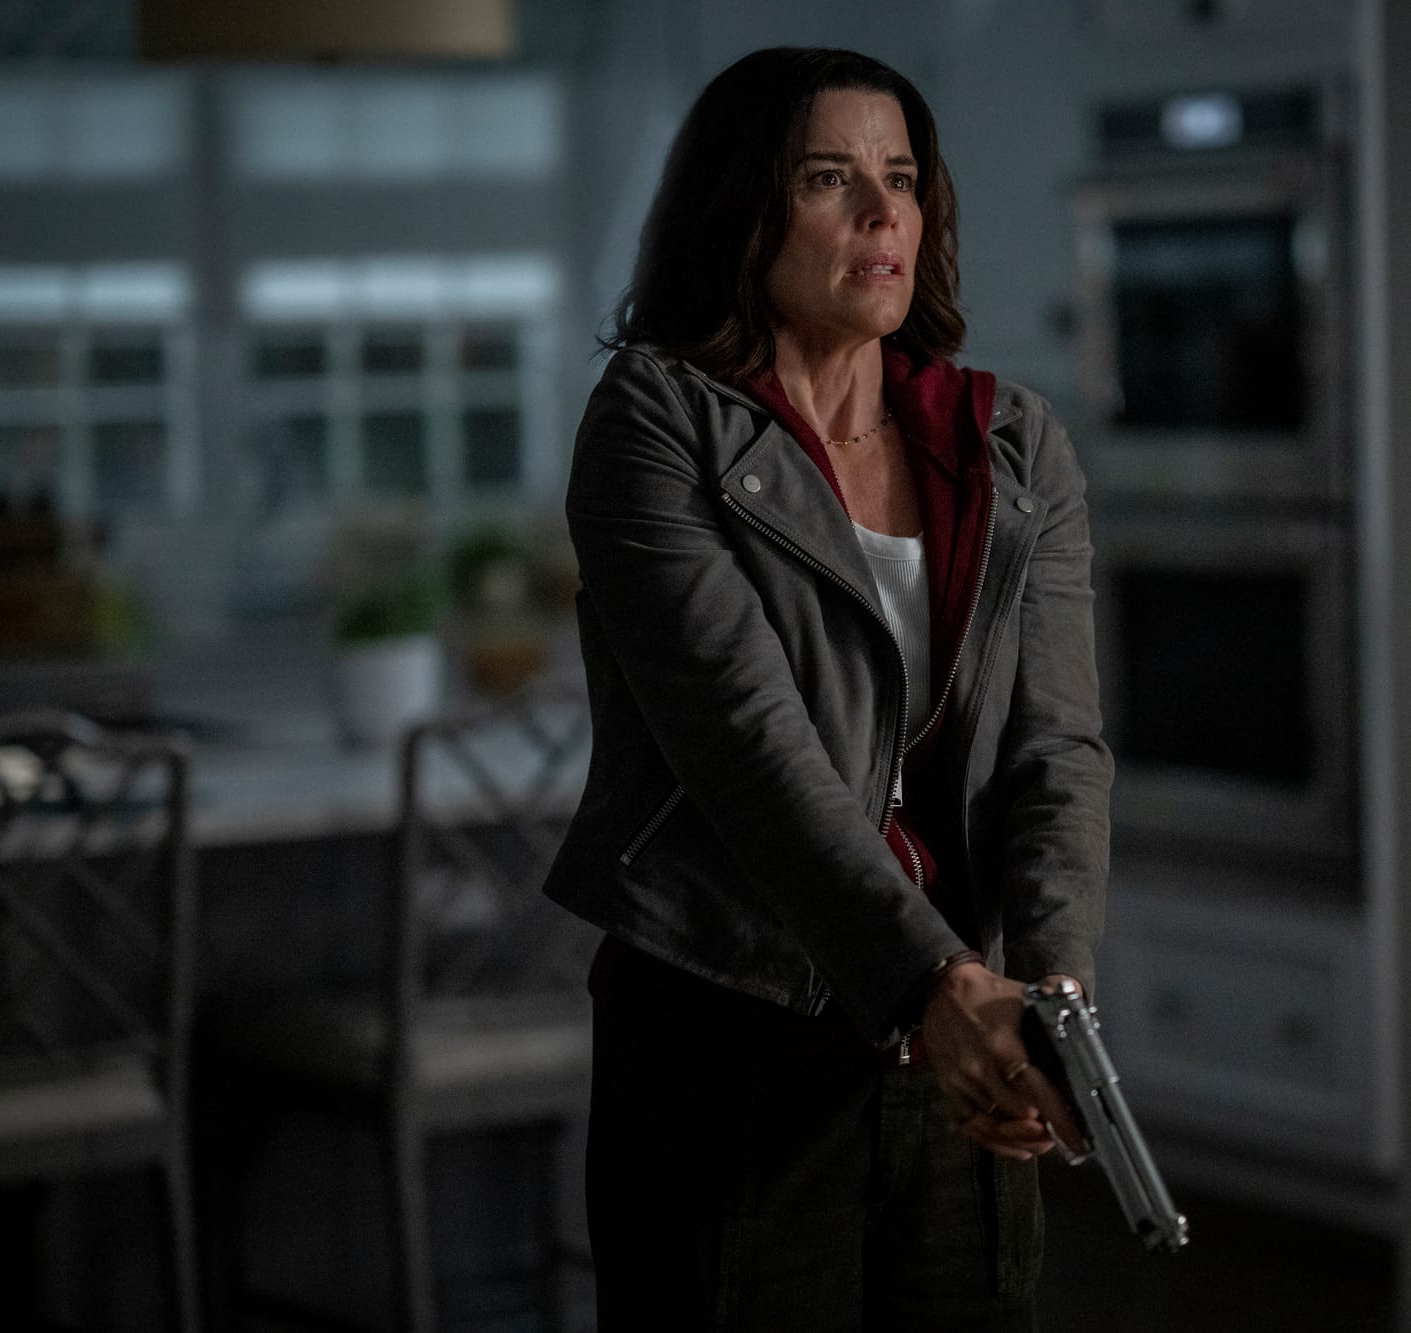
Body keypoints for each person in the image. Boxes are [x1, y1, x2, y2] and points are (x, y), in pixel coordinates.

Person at [542, 45, 1110, 1332]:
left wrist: (1052, 1006)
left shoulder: (1010, 443)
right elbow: (750, 748)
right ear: (745, 213)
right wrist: (934, 986)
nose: (881, 213)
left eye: (901, 179)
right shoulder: (654, 422)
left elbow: (1055, 751)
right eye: (827, 178)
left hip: (961, 1035)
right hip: (726, 1037)